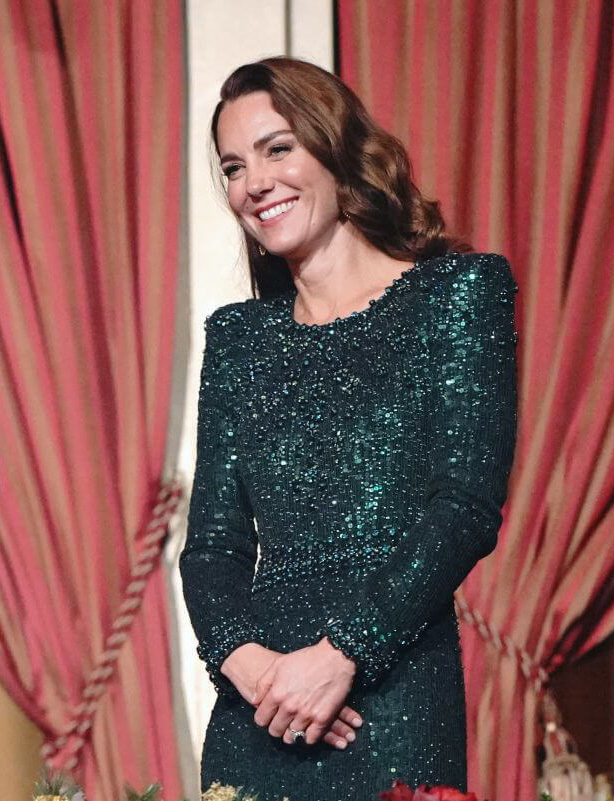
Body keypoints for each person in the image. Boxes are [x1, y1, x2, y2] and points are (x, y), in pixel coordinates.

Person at [180, 57, 517, 798]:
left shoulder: (459, 294)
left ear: (335, 146)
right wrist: (256, 669)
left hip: (392, 695)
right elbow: (210, 549)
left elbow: (465, 505)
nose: (254, 183)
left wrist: (341, 656)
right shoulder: (239, 339)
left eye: (277, 148)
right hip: (256, 712)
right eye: (233, 166)